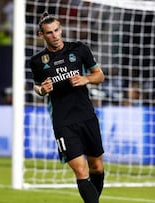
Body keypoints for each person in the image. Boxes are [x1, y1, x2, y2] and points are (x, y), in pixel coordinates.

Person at [29, 12, 105, 203]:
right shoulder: (38, 61)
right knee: (80, 169)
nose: (54, 35)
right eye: (49, 32)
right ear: (41, 35)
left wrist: (86, 78)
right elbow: (37, 86)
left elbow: (99, 75)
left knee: (96, 166)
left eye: (56, 30)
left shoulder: (79, 50)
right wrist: (42, 90)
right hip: (63, 122)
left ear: (61, 29)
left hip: (87, 116)